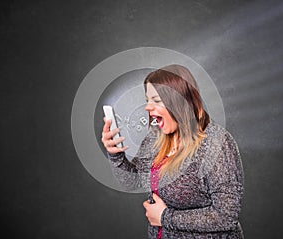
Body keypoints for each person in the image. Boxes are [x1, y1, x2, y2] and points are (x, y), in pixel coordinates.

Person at [101, 64, 244, 239]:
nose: (148, 107)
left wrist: (165, 217)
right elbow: (133, 180)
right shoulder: (156, 137)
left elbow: (226, 216)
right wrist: (115, 154)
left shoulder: (217, 143)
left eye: (157, 100)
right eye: (148, 100)